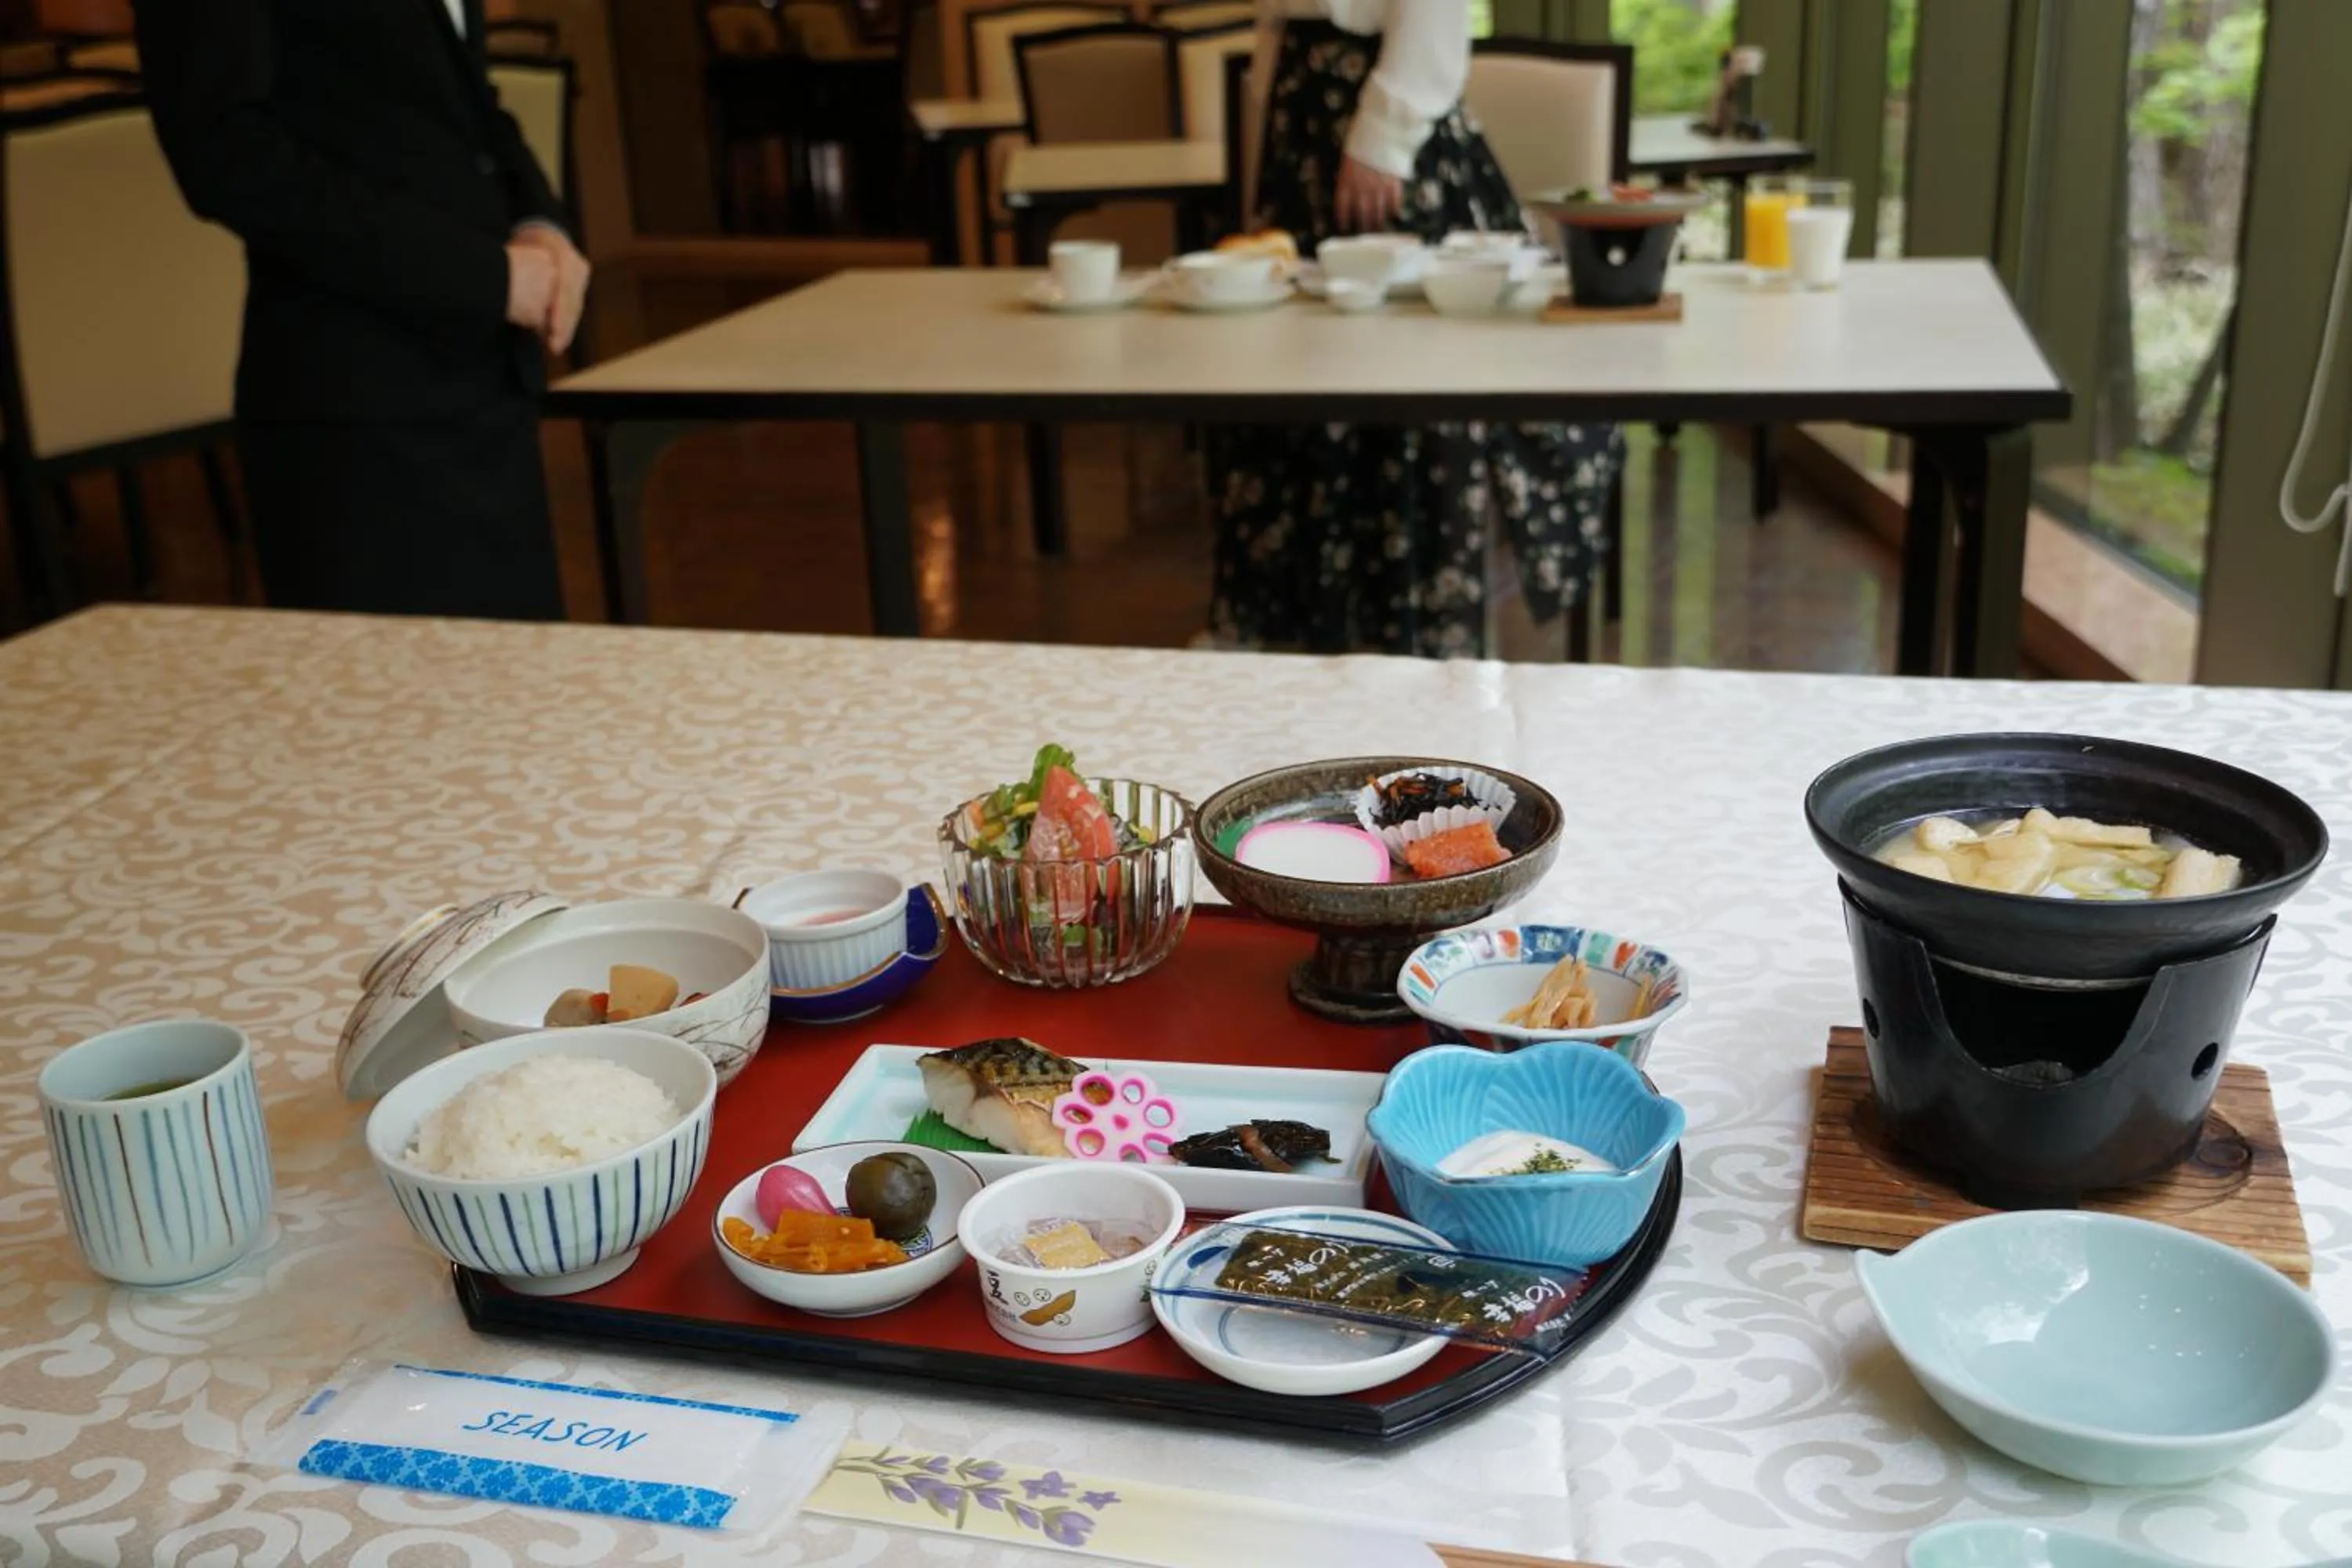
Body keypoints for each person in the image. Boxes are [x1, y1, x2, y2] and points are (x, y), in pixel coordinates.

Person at [137, 0, 590, 620]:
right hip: (357, 403)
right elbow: (226, 155)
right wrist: (482, 276)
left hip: (485, 382)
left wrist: (541, 222)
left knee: (517, 676)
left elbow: (465, 102)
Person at [1207, 0, 1623, 658]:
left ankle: (1415, 632)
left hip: (1375, 124)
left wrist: (1385, 135)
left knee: (1411, 370)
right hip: (1306, 112)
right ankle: (1296, 626)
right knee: (1296, 362)